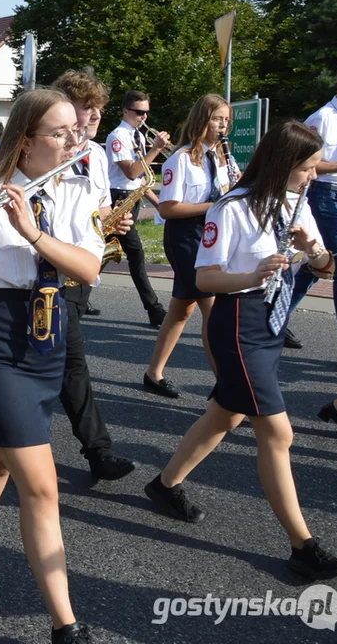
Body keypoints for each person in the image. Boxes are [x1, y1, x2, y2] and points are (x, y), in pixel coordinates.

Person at [145, 119, 337, 582]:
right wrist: (253, 274)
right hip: (237, 321)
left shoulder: (293, 202)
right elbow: (205, 279)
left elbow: (323, 268)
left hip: (271, 321)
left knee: (226, 414)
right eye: (307, 168)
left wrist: (312, 251)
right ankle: (303, 545)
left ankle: (164, 484)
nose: (313, 176)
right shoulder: (232, 207)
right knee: (278, 435)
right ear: (282, 165)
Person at [0, 89, 103, 644]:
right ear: (26, 140)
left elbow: (89, 268)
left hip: (47, 335)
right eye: (60, 133)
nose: (73, 140)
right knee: (41, 485)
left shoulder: (79, 191)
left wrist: (32, 230)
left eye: (73, 132)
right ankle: (65, 625)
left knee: (0, 459)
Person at [50, 70, 136, 482]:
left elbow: (100, 205)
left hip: (83, 267)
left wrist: (113, 222)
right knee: (72, 362)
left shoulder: (97, 154)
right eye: (88, 107)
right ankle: (98, 452)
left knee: (65, 363)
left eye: (100, 107)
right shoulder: (45, 151)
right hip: (48, 271)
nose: (96, 114)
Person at [143, 94, 232, 399]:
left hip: (210, 235)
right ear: (202, 119)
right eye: (217, 118)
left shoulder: (221, 158)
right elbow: (167, 210)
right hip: (185, 238)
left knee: (181, 310)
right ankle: (227, 386)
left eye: (226, 120)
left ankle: (153, 373)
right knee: (213, 309)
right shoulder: (179, 159)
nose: (223, 126)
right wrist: (212, 205)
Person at [286, 59, 337, 362]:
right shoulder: (323, 117)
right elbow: (308, 162)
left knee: (320, 264)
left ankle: (276, 315)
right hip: (323, 192)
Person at [105, 91, 168, 327]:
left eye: (146, 112)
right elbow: (130, 172)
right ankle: (154, 309)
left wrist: (156, 202)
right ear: (125, 111)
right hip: (118, 199)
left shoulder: (138, 136)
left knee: (101, 251)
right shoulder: (118, 136)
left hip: (131, 196)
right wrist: (157, 149)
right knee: (136, 254)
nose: (143, 117)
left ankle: (79, 292)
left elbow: (140, 178)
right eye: (139, 112)